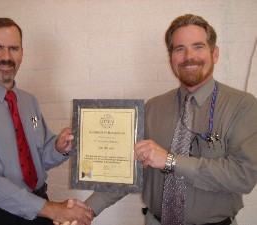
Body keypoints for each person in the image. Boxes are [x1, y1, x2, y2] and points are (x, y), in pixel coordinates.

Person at [83, 14, 257, 225]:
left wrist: (171, 161)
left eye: (198, 46)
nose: (189, 56)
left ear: (215, 53)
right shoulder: (153, 108)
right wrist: (88, 209)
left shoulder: (243, 105)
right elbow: (128, 170)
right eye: (179, 49)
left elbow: (243, 176)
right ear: (171, 58)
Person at [0, 18, 93, 225]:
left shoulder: (29, 101)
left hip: (37, 207)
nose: (6, 56)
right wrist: (52, 210)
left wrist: (58, 148)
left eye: (13, 48)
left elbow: (38, 159)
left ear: (22, 53)